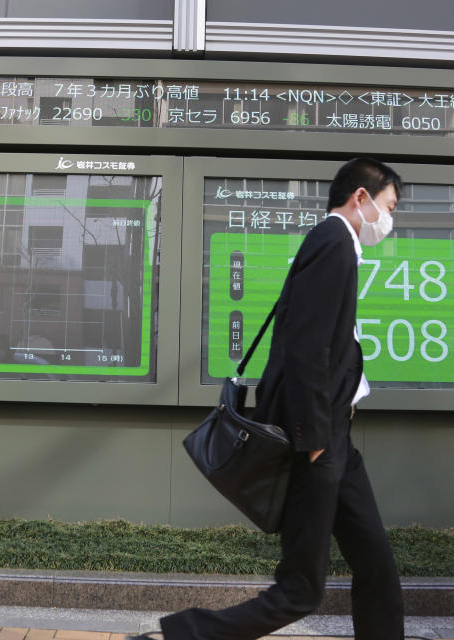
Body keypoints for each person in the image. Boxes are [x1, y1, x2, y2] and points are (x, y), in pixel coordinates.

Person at [130, 158, 405, 640]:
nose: (389, 220)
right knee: (301, 589)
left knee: (376, 562)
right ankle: (181, 635)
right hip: (320, 441)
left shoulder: (336, 244)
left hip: (338, 438)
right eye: (388, 206)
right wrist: (315, 440)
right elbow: (306, 348)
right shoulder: (335, 242)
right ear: (361, 197)